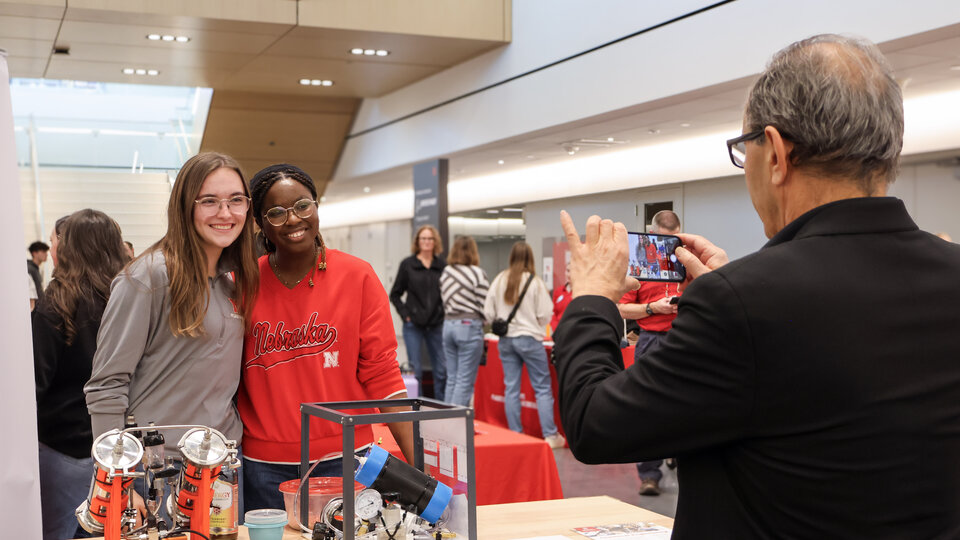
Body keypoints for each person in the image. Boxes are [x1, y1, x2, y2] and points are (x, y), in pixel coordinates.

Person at [554, 34, 960, 538]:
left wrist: (594, 297)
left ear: (775, 153)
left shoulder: (743, 304)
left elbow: (595, 424)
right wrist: (731, 291)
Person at [239, 164, 414, 512]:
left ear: (316, 207)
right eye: (276, 212)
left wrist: (420, 461)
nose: (293, 220)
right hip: (264, 466)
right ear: (260, 223)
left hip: (347, 459)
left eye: (303, 206)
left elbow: (382, 375)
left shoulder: (357, 276)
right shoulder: (242, 284)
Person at [85, 151, 259, 460]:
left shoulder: (231, 281)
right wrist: (116, 473)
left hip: (224, 462)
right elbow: (107, 385)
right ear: (184, 206)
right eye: (209, 201)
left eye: (236, 200)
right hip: (160, 465)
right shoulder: (148, 277)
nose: (225, 212)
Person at [34, 209, 128, 540]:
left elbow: (36, 383)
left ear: (70, 247)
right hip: (122, 449)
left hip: (63, 451)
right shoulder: (130, 299)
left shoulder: (56, 303)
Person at [617, 210, 682, 495]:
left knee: (688, 404)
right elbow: (620, 307)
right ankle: (649, 474)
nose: (668, 249)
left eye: (673, 242)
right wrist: (652, 308)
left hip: (684, 339)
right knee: (648, 406)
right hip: (652, 338)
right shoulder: (639, 267)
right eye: (662, 242)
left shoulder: (688, 262)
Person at [484, 241, 565, 449]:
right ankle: (550, 435)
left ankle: (515, 433)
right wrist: (534, 324)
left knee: (512, 388)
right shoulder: (535, 282)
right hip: (530, 340)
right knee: (542, 388)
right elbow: (545, 314)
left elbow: (488, 313)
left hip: (506, 341)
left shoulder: (501, 279)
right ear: (530, 258)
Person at [390, 225, 447, 399]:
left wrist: (442, 312)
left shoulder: (442, 265)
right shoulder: (408, 265)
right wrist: (406, 314)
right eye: (423, 238)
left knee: (441, 370)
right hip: (413, 324)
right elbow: (395, 294)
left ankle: (441, 409)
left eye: (430, 239)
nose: (427, 242)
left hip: (436, 324)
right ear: (418, 242)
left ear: (435, 241)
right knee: (416, 372)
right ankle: (419, 410)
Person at [439, 235, 489, 406]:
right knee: (464, 380)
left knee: (452, 378)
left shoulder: (446, 272)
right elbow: (485, 304)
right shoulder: (477, 273)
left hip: (448, 325)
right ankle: (456, 424)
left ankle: (445, 422)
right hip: (468, 326)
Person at [549, 265, 572, 333]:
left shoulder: (580, 292)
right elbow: (553, 313)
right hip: (558, 331)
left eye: (572, 271)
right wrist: (556, 329)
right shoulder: (558, 291)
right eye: (567, 271)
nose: (569, 274)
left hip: (573, 331)